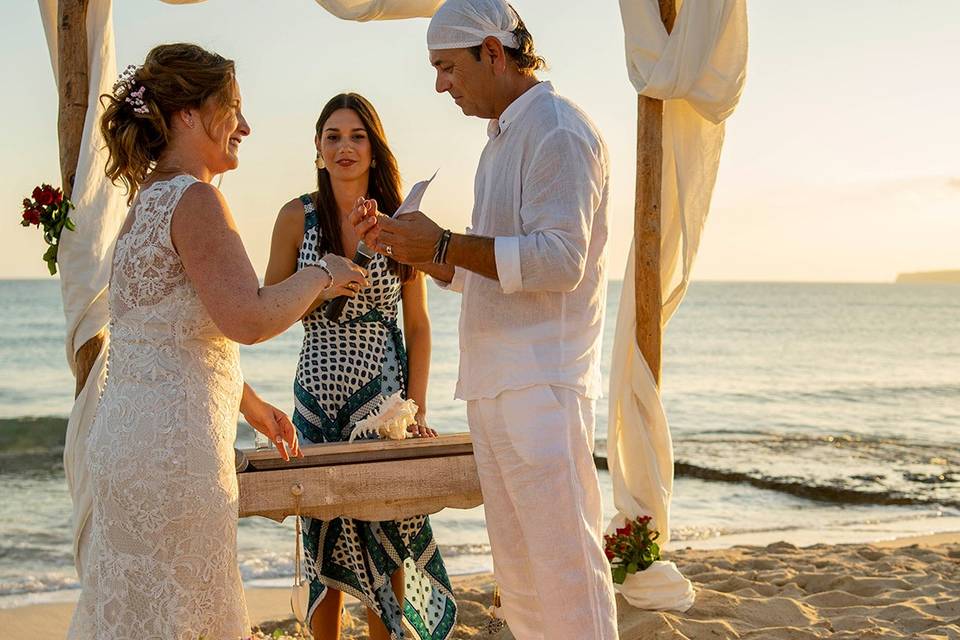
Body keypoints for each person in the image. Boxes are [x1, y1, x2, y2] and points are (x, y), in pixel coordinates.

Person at [68, 44, 368, 639]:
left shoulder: (144, 205)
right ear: (185, 115)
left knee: (139, 613)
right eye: (233, 108)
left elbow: (169, 337)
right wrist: (323, 274)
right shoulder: (196, 200)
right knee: (184, 613)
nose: (247, 126)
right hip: (173, 456)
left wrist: (252, 406)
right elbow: (248, 320)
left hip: (126, 445)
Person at [352, 1, 618, 638]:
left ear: (493, 53)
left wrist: (442, 244)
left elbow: (560, 260)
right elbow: (491, 267)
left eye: (447, 67)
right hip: (496, 381)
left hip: (540, 383)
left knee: (563, 569)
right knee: (522, 578)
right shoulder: (501, 140)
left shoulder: (557, 130)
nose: (440, 84)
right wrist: (417, 249)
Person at [264, 92, 457, 640]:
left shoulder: (400, 221)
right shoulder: (294, 217)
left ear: (374, 148)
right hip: (316, 394)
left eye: (357, 136)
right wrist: (321, 281)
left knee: (385, 535)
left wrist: (416, 407)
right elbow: (267, 309)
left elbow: (417, 325)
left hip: (384, 397)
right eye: (333, 137)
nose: (345, 147)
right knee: (321, 537)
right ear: (318, 149)